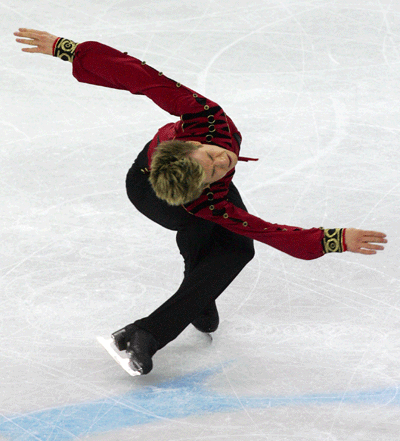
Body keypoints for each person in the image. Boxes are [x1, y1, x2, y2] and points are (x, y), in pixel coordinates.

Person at [14, 28, 388, 376]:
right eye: (212, 171)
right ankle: (151, 332)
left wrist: (73, 51)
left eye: (209, 160)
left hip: (179, 180)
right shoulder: (205, 198)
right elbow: (260, 226)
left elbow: (142, 78)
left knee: (239, 250)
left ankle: (191, 297)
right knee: (208, 231)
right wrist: (332, 239)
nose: (221, 162)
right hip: (148, 192)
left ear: (192, 143)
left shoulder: (202, 116)